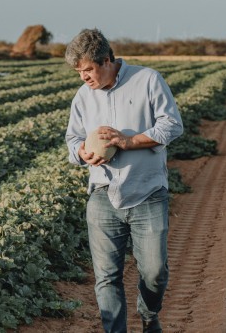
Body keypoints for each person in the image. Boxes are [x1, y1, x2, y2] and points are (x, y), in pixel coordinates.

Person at [64, 28, 183, 333]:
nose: (84, 78)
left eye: (88, 69)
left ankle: (149, 314)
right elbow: (73, 138)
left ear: (106, 60)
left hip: (148, 191)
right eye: (79, 72)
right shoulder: (83, 96)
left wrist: (129, 141)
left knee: (154, 271)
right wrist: (82, 151)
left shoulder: (147, 80)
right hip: (103, 193)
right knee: (106, 276)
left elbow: (172, 125)